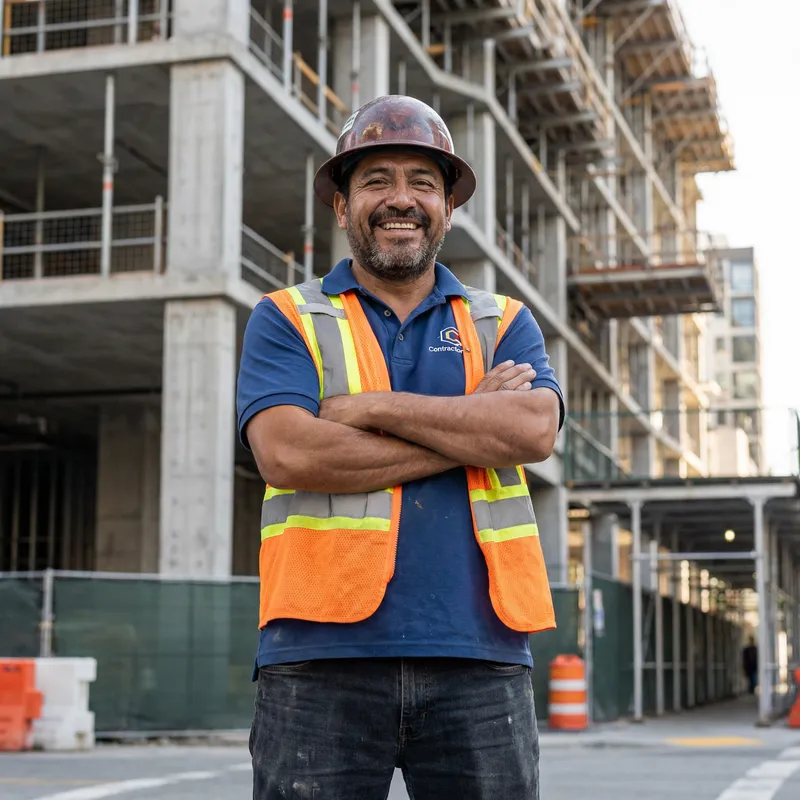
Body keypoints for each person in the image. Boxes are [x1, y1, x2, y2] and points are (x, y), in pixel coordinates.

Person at [237, 95, 565, 800]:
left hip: (481, 656)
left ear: (447, 206)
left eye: (422, 182)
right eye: (377, 180)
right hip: (318, 656)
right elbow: (290, 454)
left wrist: (372, 410)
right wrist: (471, 425)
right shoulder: (287, 317)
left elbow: (533, 432)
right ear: (342, 204)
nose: (400, 199)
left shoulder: (503, 320)